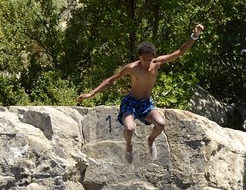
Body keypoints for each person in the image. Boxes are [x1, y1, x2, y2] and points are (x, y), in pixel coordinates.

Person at [80, 24, 204, 164]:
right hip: (131, 102)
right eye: (144, 60)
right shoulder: (132, 68)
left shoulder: (157, 63)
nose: (146, 63)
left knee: (161, 124)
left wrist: (194, 36)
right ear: (139, 57)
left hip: (146, 103)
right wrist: (91, 94)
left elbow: (180, 52)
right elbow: (111, 80)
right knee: (130, 128)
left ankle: (150, 141)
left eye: (149, 60)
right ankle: (128, 146)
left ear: (153, 57)